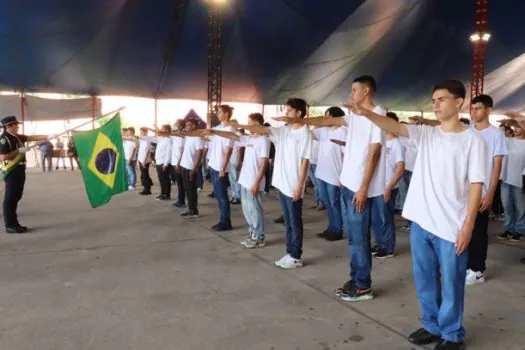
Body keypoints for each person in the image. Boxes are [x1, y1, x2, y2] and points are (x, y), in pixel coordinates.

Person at [350, 80, 486, 350]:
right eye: (433, 100)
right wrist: (366, 113)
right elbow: (395, 127)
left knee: (452, 283)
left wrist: (469, 224)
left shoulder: (473, 140)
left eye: (442, 99)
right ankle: (431, 326)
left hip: (451, 225)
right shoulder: (428, 134)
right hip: (422, 222)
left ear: (459, 102)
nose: (435, 105)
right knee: (424, 279)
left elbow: (476, 184)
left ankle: (452, 333)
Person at [282, 75, 386, 301]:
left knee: (359, 238)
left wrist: (363, 187)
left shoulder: (378, 114)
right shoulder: (354, 116)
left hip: (360, 187)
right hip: (349, 183)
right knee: (353, 237)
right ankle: (355, 277)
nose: (352, 94)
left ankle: (363, 285)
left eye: (355, 90)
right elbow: (329, 122)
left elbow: (374, 152)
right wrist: (302, 121)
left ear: (366, 90)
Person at [238, 98, 312, 268]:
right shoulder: (283, 131)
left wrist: (300, 185)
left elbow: (304, 161)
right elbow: (263, 129)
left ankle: (296, 256)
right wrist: (241, 127)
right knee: (288, 221)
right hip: (282, 183)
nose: (286, 114)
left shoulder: (304, 133)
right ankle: (290, 251)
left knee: (295, 221)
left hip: (293, 184)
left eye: (289, 111)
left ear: (299, 113)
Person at [0, 116, 54, 233]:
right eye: (15, 125)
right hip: (12, 170)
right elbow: (3, 156)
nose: (18, 126)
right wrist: (18, 151)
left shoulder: (17, 137)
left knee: (16, 196)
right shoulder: (4, 139)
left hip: (20, 169)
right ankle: (10, 225)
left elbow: (30, 137)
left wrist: (46, 137)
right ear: (8, 126)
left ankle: (15, 223)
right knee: (11, 197)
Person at [372, 112, 405, 259]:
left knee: (386, 218)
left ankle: (388, 247)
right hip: (376, 187)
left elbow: (400, 168)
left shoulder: (397, 143)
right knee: (376, 218)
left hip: (388, 187)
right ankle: (380, 243)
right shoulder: (381, 141)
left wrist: (389, 187)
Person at [313, 106, 346, 241]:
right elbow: (310, 132)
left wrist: (343, 176)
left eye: (328, 116)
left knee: (334, 203)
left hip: (334, 174)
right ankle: (331, 227)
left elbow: (347, 156)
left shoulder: (343, 132)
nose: (326, 119)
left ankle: (337, 229)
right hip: (322, 172)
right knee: (328, 202)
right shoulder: (323, 131)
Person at [205, 105, 236, 231]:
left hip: (220, 167)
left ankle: (226, 221)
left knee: (222, 195)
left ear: (226, 114)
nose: (217, 114)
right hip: (214, 164)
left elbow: (229, 150)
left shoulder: (230, 130)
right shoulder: (218, 128)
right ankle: (222, 218)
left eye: (219, 112)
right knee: (218, 195)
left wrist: (223, 168)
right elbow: (208, 136)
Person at [498, 122, 525, 242]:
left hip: (519, 180)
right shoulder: (508, 141)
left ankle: (520, 231)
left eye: (519, 126)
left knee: (520, 207)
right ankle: (509, 229)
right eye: (515, 126)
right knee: (507, 206)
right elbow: (499, 135)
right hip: (506, 179)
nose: (516, 129)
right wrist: (506, 123)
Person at [179, 119, 205, 218]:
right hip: (185, 166)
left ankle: (193, 210)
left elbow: (200, 153)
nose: (187, 127)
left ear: (194, 126)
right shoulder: (188, 137)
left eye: (189, 125)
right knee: (187, 189)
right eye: (186, 125)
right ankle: (190, 208)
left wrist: (194, 169)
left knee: (191, 190)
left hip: (191, 167)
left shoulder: (197, 138)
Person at [139, 125, 172, 200]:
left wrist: (166, 163)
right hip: (158, 162)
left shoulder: (168, 139)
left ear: (166, 131)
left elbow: (169, 152)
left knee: (165, 179)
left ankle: (167, 195)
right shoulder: (160, 138)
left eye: (162, 129)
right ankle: (162, 193)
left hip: (164, 162)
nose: (160, 130)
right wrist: (140, 136)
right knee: (161, 179)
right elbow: (150, 138)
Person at [170, 120, 186, 208]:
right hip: (174, 162)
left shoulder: (181, 139)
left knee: (180, 184)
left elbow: (182, 152)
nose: (174, 125)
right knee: (178, 183)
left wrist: (178, 163)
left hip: (178, 163)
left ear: (180, 127)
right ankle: (180, 199)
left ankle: (181, 201)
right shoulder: (176, 138)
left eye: (176, 124)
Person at [228, 122, 244, 205]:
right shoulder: (231, 134)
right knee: (232, 179)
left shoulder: (238, 135)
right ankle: (234, 196)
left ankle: (238, 197)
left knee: (236, 179)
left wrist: (239, 161)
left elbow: (240, 149)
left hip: (235, 160)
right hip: (230, 160)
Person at [137, 127, 154, 195]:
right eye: (140, 132)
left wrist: (143, 161)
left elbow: (147, 151)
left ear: (146, 132)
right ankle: (147, 185)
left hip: (145, 160)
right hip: (141, 159)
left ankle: (147, 190)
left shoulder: (147, 140)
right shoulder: (142, 139)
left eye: (142, 132)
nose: (141, 133)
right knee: (144, 174)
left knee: (145, 175)